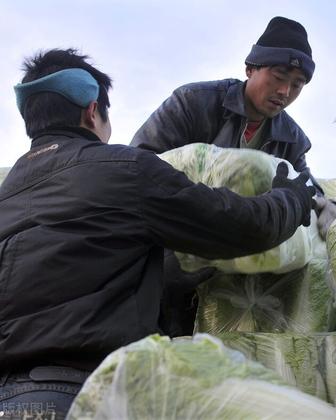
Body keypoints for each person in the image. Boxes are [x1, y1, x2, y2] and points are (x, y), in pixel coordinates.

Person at [0, 48, 315, 419]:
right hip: (87, 396)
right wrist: (290, 200)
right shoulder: (123, 170)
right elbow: (239, 225)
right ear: (91, 111)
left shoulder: (7, 196)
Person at [131, 16, 336, 239]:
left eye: (297, 85)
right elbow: (137, 164)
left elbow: (304, 183)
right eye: (279, 76)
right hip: (176, 237)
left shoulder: (293, 140)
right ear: (250, 69)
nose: (285, 91)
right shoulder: (193, 103)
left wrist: (326, 204)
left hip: (247, 251)